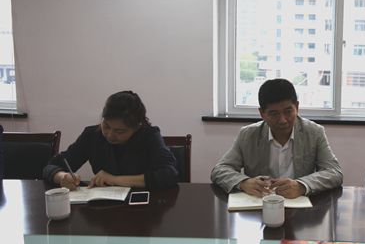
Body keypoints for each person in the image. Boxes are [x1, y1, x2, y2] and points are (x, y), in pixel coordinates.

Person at [211, 78, 343, 199]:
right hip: (260, 205)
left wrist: (301, 185)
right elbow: (220, 170)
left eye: (288, 111)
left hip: (299, 205)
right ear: (262, 113)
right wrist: (244, 182)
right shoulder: (248, 135)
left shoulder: (314, 132)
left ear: (297, 107)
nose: (283, 120)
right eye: (274, 114)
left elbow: (334, 172)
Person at [43, 91, 178, 190]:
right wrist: (63, 177)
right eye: (106, 126)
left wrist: (114, 179)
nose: (110, 135)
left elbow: (169, 174)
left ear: (136, 127)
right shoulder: (92, 135)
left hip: (142, 208)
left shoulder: (149, 136)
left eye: (120, 131)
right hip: (103, 209)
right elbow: (51, 166)